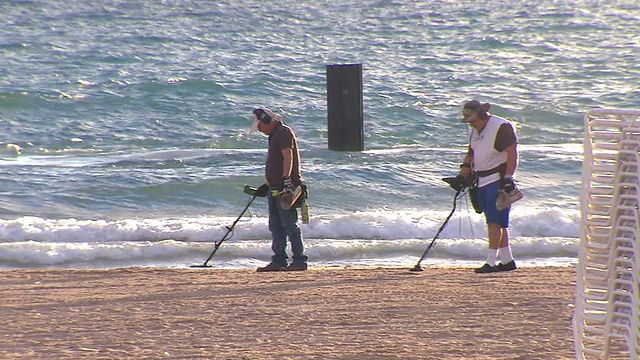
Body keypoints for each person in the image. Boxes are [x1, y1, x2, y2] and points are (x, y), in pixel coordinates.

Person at [449, 100, 521, 273]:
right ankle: (507, 260)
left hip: (497, 178)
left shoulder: (501, 127)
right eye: (468, 121)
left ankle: (491, 262)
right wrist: (461, 176)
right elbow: (471, 154)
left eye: (473, 120)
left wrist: (507, 178)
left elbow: (512, 153)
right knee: (497, 222)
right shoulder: (475, 130)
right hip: (482, 180)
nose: (471, 124)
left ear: (482, 116)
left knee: (494, 221)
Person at [249, 107, 308, 272]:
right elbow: (275, 163)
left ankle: (299, 261)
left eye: (260, 125)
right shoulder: (274, 135)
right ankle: (279, 260)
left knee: (289, 225)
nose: (259, 129)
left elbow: (288, 157)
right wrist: (266, 185)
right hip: (274, 187)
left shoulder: (283, 133)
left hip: (286, 188)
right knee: (275, 225)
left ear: (268, 121)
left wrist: (286, 181)